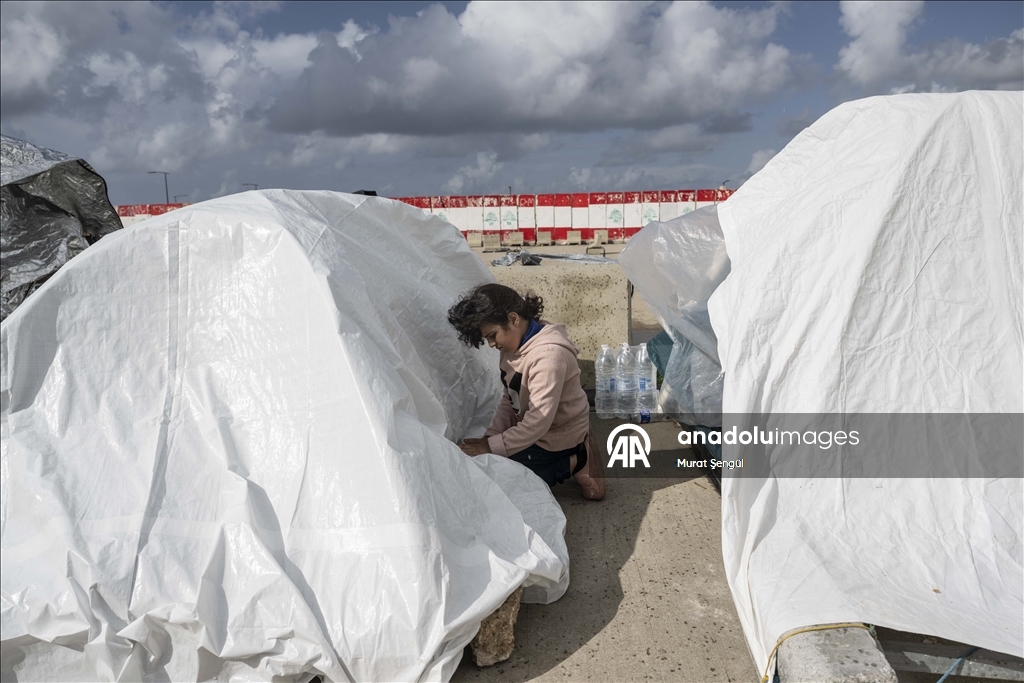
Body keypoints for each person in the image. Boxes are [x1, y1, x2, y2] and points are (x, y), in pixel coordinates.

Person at [447, 283, 605, 500]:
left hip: (558, 436)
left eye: (492, 335)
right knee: (490, 472)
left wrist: (491, 447)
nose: (491, 344)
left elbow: (537, 423)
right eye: (487, 339)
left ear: (513, 319)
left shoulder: (549, 357)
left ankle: (579, 458)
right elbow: (509, 399)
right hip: (537, 431)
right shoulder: (515, 347)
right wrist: (491, 436)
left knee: (515, 485)